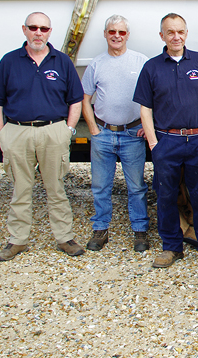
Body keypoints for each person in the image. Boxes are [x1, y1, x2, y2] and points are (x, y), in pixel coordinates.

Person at [0, 12, 85, 261]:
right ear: (24, 30)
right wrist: (3, 136)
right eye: (33, 28)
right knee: (21, 190)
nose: (38, 33)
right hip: (17, 131)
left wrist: (68, 130)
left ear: (50, 32)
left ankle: (64, 237)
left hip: (53, 131)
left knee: (57, 189)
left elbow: (76, 100)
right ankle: (17, 240)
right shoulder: (9, 61)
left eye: (43, 28)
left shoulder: (62, 61)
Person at [133, 13, 198, 272]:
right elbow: (145, 109)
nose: (176, 37)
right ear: (162, 36)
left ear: (186, 33)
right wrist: (153, 143)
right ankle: (171, 247)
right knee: (165, 196)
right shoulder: (151, 67)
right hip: (166, 141)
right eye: (170, 32)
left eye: (180, 31)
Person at [81, 15, 150, 252]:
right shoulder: (96, 64)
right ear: (105, 34)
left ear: (127, 35)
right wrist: (92, 128)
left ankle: (140, 230)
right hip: (103, 133)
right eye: (112, 32)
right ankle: (100, 229)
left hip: (132, 134)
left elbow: (155, 96)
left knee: (137, 187)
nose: (117, 36)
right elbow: (85, 98)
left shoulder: (141, 62)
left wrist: (146, 124)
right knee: (100, 186)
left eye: (121, 32)